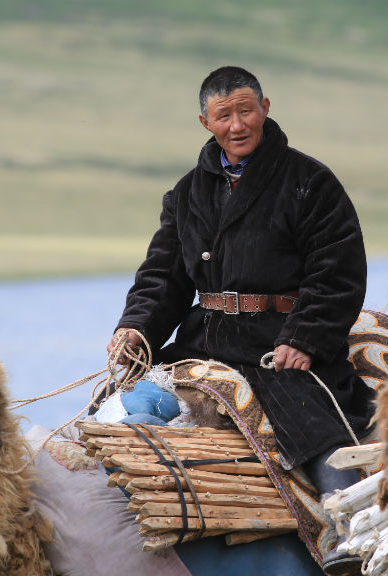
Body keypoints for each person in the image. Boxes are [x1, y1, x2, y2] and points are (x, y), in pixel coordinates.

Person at [107, 66, 372, 498]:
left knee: (313, 429)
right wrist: (136, 328)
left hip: (278, 346)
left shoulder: (309, 182)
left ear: (264, 109)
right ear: (205, 123)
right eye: (223, 116)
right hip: (206, 340)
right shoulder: (187, 193)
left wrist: (305, 338)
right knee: (117, 401)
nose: (236, 125)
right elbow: (163, 275)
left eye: (246, 111)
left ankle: (350, 527)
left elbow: (337, 269)